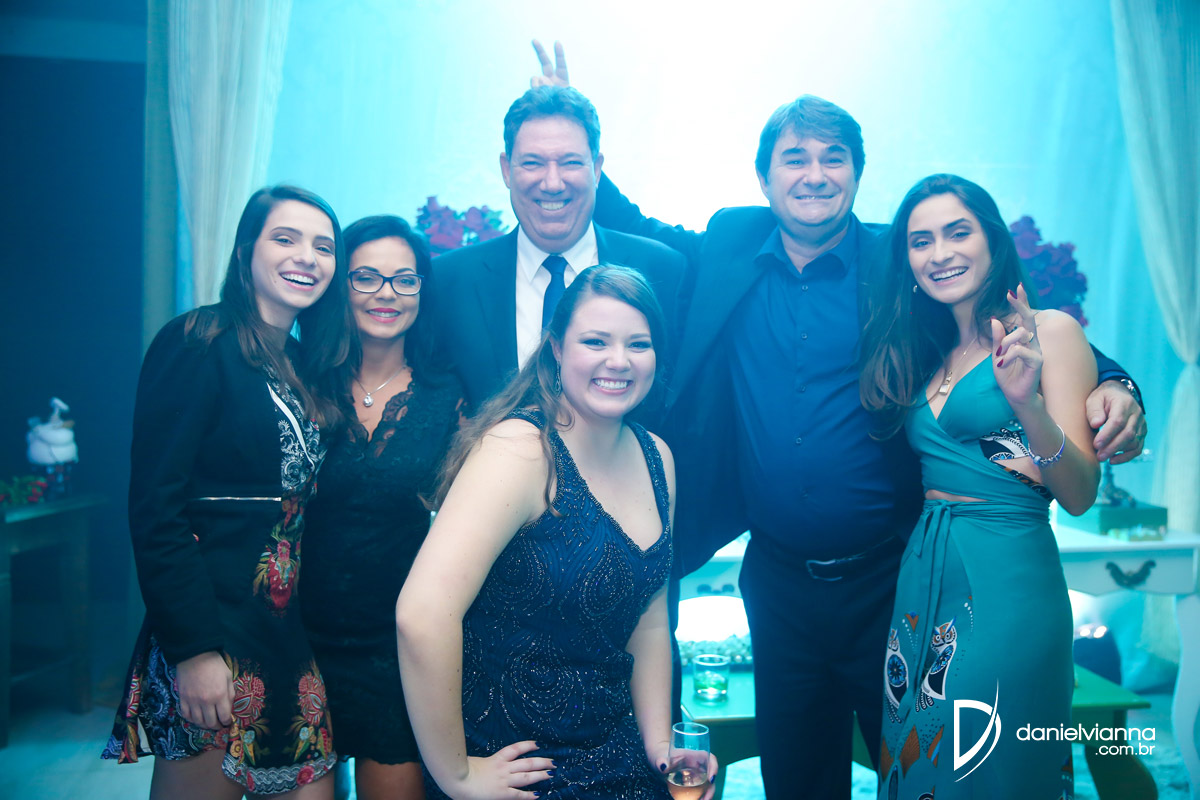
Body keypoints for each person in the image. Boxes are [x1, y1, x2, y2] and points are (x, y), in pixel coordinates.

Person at [532, 42, 1147, 799]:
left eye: (834, 158)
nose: (814, 174)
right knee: (796, 779)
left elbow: (1010, 322)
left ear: (857, 173)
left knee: (917, 768)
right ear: (764, 177)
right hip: (776, 581)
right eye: (794, 159)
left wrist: (1117, 383)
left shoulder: (901, 261)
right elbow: (633, 223)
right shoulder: (729, 243)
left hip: (893, 578)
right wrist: (569, 130)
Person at [397, 266, 712, 800]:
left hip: (616, 749)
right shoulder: (521, 451)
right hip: (519, 766)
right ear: (556, 349)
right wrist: (457, 775)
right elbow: (421, 615)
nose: (619, 361)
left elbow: (651, 620)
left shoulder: (657, 457)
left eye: (638, 344)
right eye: (596, 341)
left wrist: (659, 746)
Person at [103, 185, 353, 798]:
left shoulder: (305, 363)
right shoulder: (197, 341)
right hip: (212, 630)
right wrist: (193, 651)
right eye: (285, 239)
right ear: (246, 250)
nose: (307, 257)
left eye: (324, 247)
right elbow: (156, 509)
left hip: (290, 632)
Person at [860, 173, 1097, 796]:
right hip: (924, 576)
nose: (940, 253)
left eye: (958, 232)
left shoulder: (1050, 332)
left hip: (1006, 577)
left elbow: (1079, 494)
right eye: (921, 241)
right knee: (917, 755)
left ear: (992, 240)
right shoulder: (928, 349)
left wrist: (1028, 405)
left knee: (985, 761)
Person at [302, 215, 464, 800]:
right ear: (340, 286)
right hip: (295, 638)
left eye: (404, 279)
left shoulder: (450, 395)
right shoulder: (300, 378)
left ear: (422, 289)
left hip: (394, 643)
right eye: (366, 277)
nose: (386, 294)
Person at [430, 85, 685, 412]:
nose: (552, 183)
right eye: (533, 163)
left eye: (570, 162)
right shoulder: (449, 281)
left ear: (596, 169)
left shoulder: (663, 271)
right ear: (506, 169)